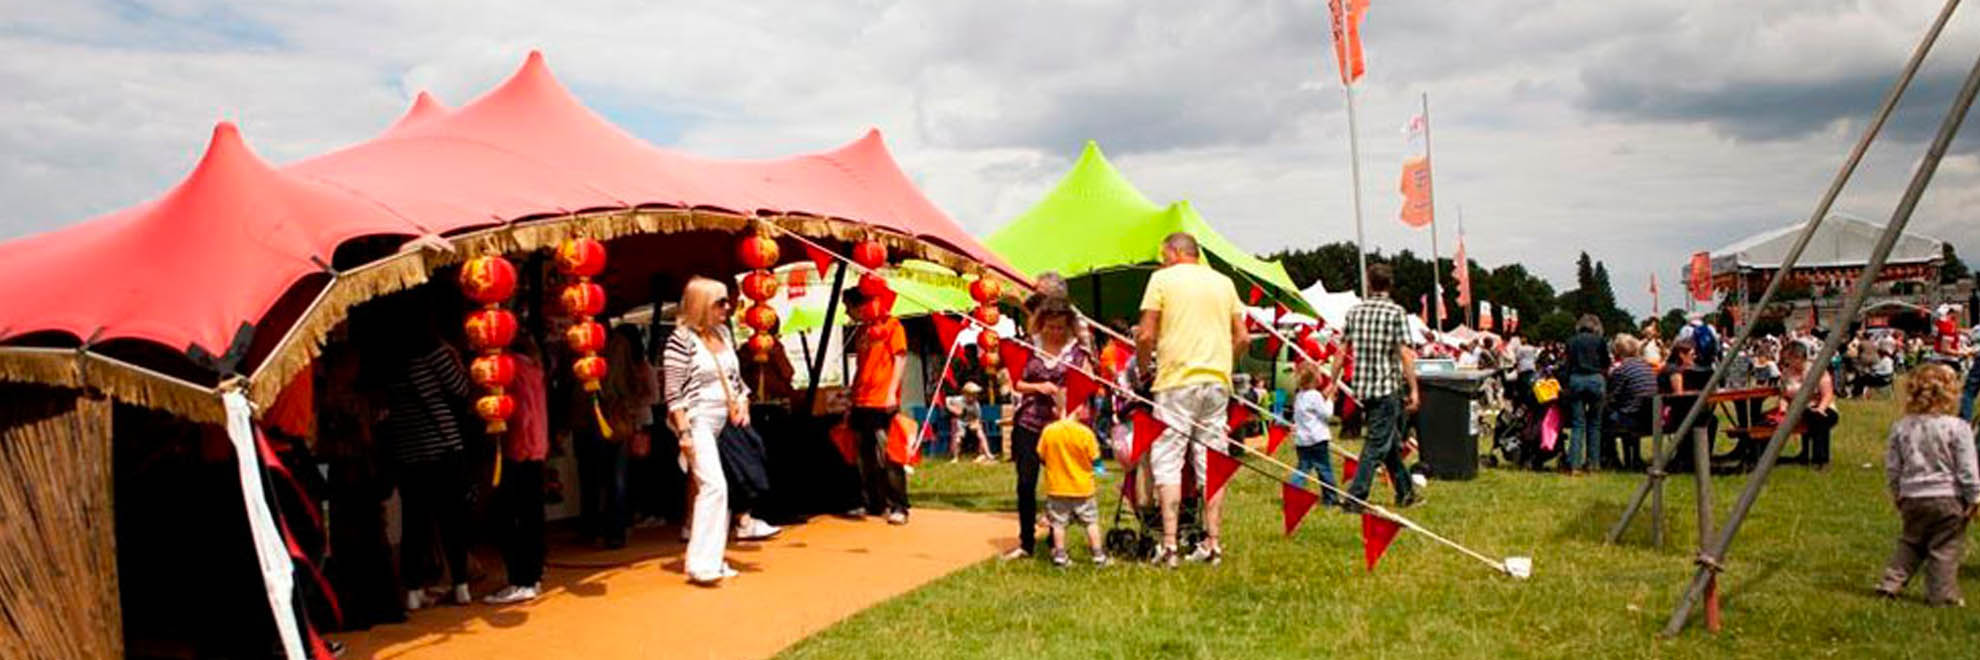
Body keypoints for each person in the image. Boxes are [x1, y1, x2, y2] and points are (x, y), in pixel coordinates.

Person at [1135, 232, 1248, 567]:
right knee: (1211, 460)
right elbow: (1242, 336)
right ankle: (1213, 543)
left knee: (1168, 457)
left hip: (1175, 379)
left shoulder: (1162, 279)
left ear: (1172, 252)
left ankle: (1169, 545)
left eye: (1163, 255)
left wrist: (1144, 369)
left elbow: (1146, 334)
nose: (1161, 261)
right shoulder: (1224, 282)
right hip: (1216, 380)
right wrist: (1227, 361)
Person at [382, 318, 476, 610]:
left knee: (415, 522)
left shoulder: (389, 363)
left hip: (409, 449)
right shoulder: (435, 354)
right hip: (444, 445)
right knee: (452, 519)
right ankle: (461, 585)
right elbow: (461, 388)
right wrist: (456, 359)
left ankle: (412, 589)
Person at [662, 276, 750, 585]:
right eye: (720, 303)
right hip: (697, 420)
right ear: (702, 305)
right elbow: (673, 393)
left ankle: (712, 557)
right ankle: (700, 563)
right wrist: (684, 433)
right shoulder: (680, 340)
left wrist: (743, 400)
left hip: (725, 421)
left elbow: (734, 375)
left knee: (721, 489)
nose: (727, 308)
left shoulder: (723, 333)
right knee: (714, 487)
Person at [1875, 364, 1978, 606]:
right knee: (1944, 547)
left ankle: (1891, 582)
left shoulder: (1901, 427)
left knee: (1911, 541)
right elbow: (1966, 468)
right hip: (1948, 498)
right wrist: (1975, 496)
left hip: (1912, 496)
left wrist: (1897, 492)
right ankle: (1941, 594)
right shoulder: (1958, 428)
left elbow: (1893, 466)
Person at [1005, 297, 1091, 559]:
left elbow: (1083, 385)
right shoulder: (1029, 347)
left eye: (1060, 327)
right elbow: (1016, 383)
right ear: (1042, 325)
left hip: (1059, 425)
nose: (1055, 332)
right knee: (1025, 482)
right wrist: (1038, 387)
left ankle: (1057, 541)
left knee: (1058, 485)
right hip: (1029, 421)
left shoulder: (1076, 352)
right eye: (1050, 327)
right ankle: (1026, 542)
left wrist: (1069, 409)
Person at [1339, 263, 1420, 511]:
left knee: (1390, 445)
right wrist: (1414, 388)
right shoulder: (1396, 313)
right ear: (1390, 284)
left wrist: (1332, 383)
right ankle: (1356, 497)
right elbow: (1405, 354)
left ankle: (1406, 493)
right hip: (1386, 388)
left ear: (1369, 283)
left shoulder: (1355, 312)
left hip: (1364, 389)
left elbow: (1341, 349)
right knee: (1376, 445)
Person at [484, 333, 549, 605]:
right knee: (532, 515)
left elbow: (520, 414)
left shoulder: (508, 369)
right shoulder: (535, 369)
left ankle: (520, 578)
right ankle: (531, 577)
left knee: (509, 516)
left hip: (516, 448)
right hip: (536, 447)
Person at [845, 288, 912, 524]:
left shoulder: (892, 326)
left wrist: (892, 391)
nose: (848, 313)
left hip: (882, 400)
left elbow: (900, 358)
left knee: (889, 454)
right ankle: (873, 502)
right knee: (864, 456)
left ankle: (899, 505)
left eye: (850, 307)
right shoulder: (863, 331)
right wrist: (851, 396)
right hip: (861, 401)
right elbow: (861, 366)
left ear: (863, 305)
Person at [1038, 393, 1108, 568]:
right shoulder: (1085, 433)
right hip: (1082, 487)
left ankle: (1060, 555)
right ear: (1078, 409)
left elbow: (1041, 455)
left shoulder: (1048, 431)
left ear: (1057, 410)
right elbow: (1096, 459)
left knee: (1059, 524)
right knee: (1090, 522)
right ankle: (1098, 555)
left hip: (1057, 488)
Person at [1777, 341, 1839, 469]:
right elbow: (1784, 396)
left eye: (1792, 358)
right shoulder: (1786, 374)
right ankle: (1809, 456)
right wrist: (1782, 410)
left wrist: (1820, 409)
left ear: (1801, 357)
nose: (1790, 361)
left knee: (1818, 418)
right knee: (1810, 416)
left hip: (1823, 407)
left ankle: (1820, 459)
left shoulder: (1817, 370)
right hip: (1799, 410)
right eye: (1788, 358)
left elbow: (1828, 394)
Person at [1563, 314, 1610, 474]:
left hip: (1576, 380)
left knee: (1578, 424)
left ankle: (1574, 465)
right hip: (1596, 380)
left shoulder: (1571, 341)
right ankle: (1593, 464)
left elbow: (1567, 365)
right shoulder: (1600, 341)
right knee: (1595, 424)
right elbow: (1606, 363)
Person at [1604, 334, 1658, 471]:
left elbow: (1613, 396)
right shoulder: (1646, 366)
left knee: (1602, 419)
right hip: (1650, 417)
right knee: (1627, 412)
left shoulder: (1622, 370)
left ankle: (1611, 458)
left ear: (1617, 351)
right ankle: (1635, 458)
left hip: (1632, 418)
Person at [1292, 361, 1341, 507]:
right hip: (1317, 440)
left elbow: (1316, 405)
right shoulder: (1315, 396)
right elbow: (1326, 414)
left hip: (1302, 441)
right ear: (1315, 379)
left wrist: (1328, 392)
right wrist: (1331, 400)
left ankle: (1293, 493)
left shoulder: (1300, 396)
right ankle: (1330, 498)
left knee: (1302, 469)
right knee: (1324, 469)